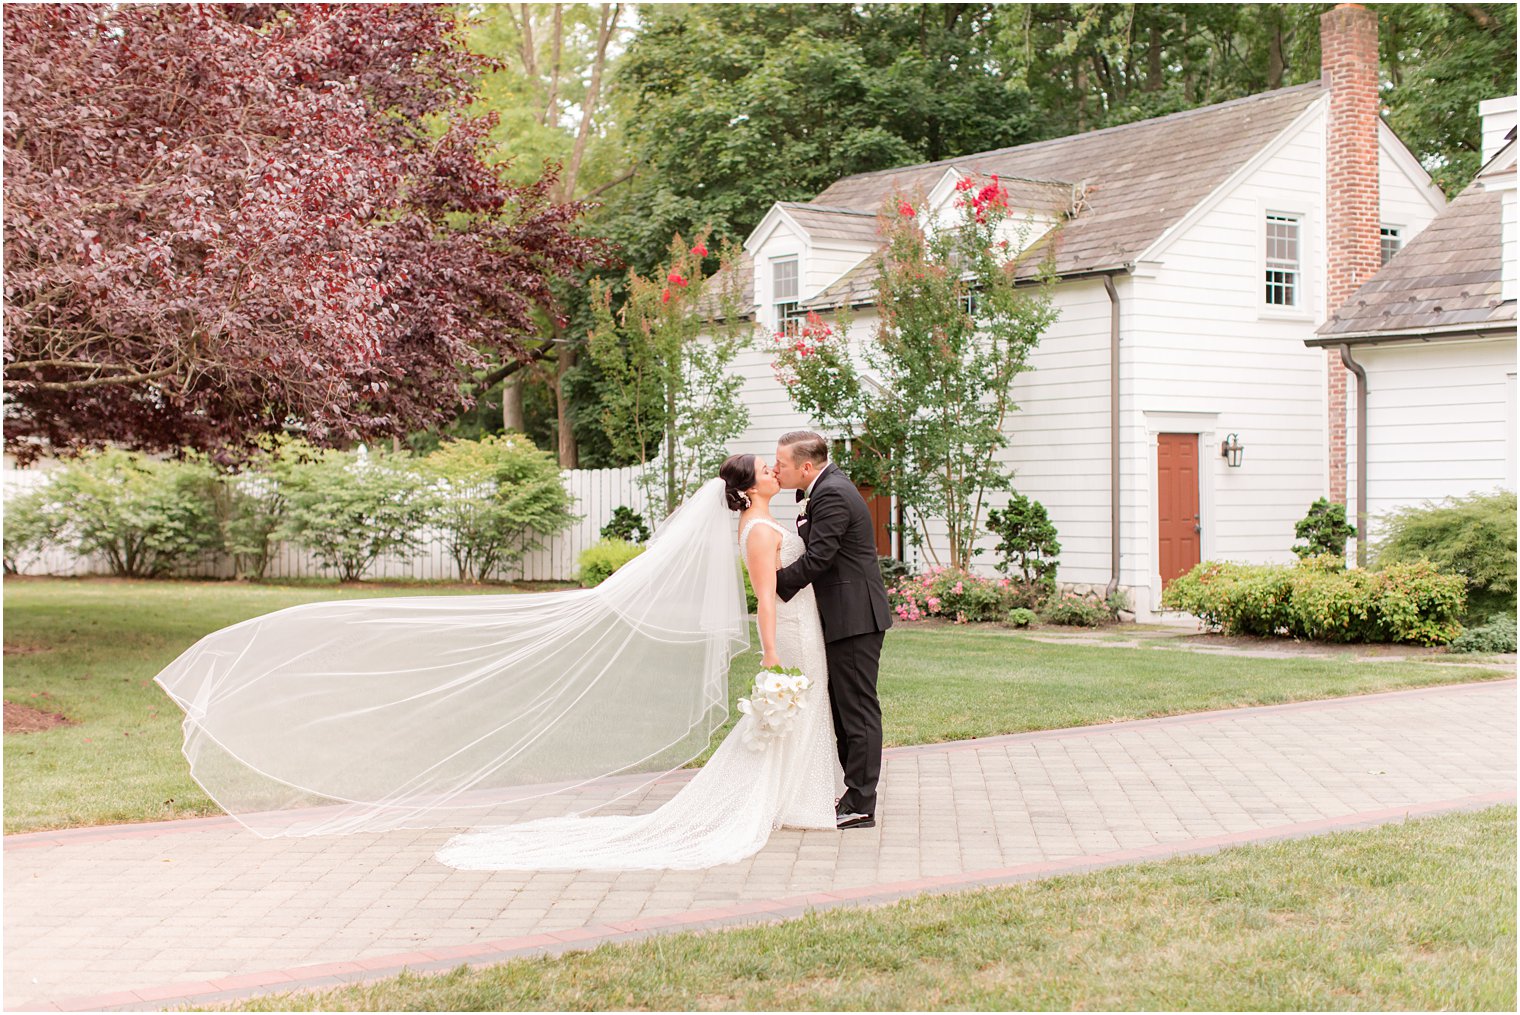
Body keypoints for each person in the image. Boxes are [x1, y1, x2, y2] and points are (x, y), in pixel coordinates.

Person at [434, 453, 841, 869]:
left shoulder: (764, 523)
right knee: (790, 711)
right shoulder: (757, 531)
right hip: (790, 630)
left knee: (797, 712)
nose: (775, 472)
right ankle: (786, 800)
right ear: (750, 487)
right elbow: (767, 598)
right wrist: (770, 650)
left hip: (803, 623)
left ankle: (793, 797)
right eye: (766, 470)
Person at [772, 431, 893, 830]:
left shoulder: (833, 493)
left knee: (857, 710)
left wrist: (773, 586)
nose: (777, 469)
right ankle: (852, 792)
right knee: (844, 710)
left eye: (783, 464)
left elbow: (820, 557)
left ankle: (861, 802)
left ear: (806, 467)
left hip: (855, 617)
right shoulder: (822, 489)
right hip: (841, 615)